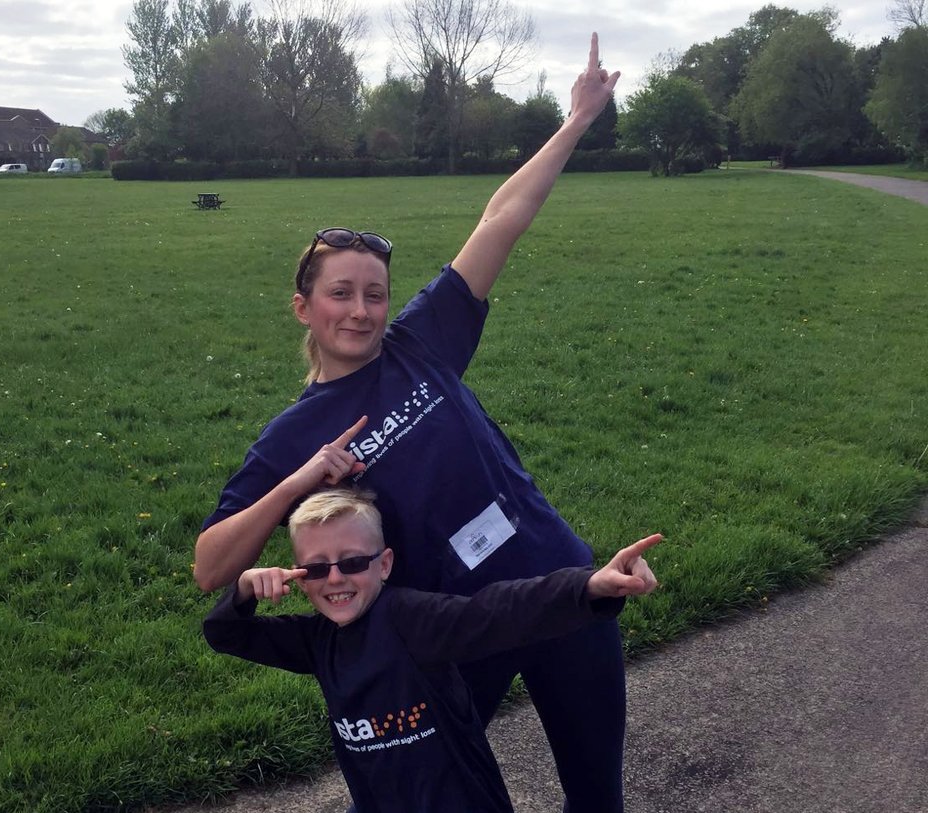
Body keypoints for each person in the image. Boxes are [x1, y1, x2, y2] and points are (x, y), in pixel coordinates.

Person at [196, 32, 650, 812]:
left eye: (375, 292)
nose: (363, 310)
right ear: (305, 307)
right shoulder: (292, 434)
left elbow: (501, 218)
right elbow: (211, 565)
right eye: (341, 293)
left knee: (596, 796)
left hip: (560, 585)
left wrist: (576, 119)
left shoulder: (420, 341)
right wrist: (302, 479)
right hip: (448, 632)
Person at [203, 488, 662, 813]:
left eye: (353, 562)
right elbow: (226, 634)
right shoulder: (315, 641)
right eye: (316, 569)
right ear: (298, 576)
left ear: (384, 564)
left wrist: (590, 585)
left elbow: (499, 611)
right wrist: (243, 591)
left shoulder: (414, 621)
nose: (336, 579)